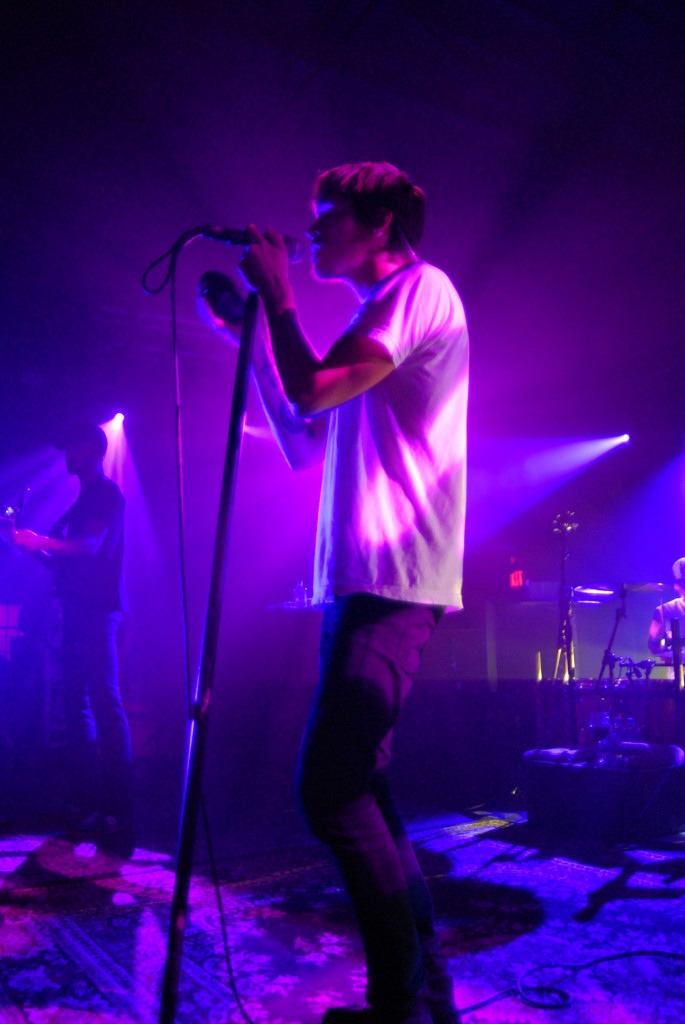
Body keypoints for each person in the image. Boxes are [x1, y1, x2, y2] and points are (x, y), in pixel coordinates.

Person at [230, 161, 468, 1024]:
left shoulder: (419, 290)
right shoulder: (376, 318)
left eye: (326, 215)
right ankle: (421, 994)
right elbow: (303, 437)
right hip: (365, 583)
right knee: (361, 786)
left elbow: (314, 387)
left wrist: (280, 300)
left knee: (329, 791)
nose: (310, 231)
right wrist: (246, 333)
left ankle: (400, 1005)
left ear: (378, 226)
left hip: (392, 582)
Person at [12, 422, 133, 856]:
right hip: (78, 611)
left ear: (94, 450)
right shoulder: (82, 500)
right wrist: (33, 549)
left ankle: (118, 807)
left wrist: (41, 539)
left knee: (103, 702)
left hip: (98, 612)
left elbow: (89, 545)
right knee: (77, 704)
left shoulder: (105, 494)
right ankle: (86, 802)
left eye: (74, 448)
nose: (67, 455)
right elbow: (67, 562)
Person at [648, 557, 685, 668]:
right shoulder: (664, 611)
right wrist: (666, 653)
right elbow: (653, 644)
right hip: (679, 672)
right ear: (677, 586)